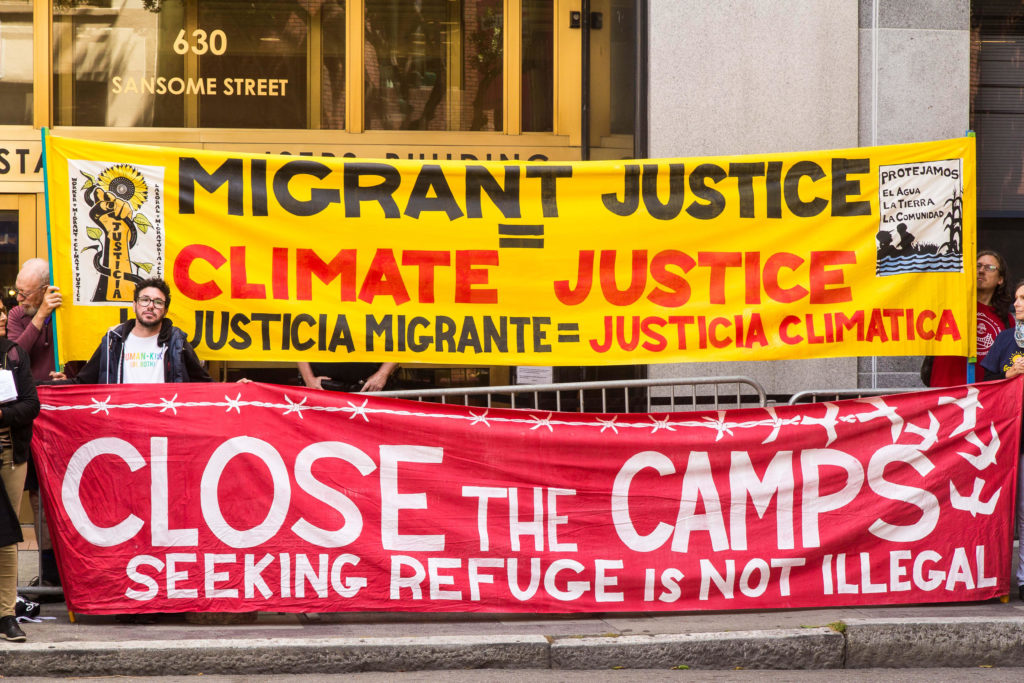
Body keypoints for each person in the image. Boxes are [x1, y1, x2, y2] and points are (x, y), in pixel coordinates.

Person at [7, 259, 63, 592]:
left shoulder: (67, 312)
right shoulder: (18, 315)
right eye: (19, 291)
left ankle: (62, 571)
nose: (18, 300)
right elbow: (15, 357)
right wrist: (39, 315)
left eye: (26, 293)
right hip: (30, 414)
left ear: (45, 288)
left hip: (64, 414)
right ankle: (48, 573)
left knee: (61, 493)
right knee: (37, 496)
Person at [51, 277, 210, 385]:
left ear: (166, 310)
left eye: (158, 302)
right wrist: (62, 385)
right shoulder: (113, 340)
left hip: (165, 423)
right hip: (123, 424)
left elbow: (204, 385)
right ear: (134, 305)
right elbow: (84, 382)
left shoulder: (177, 342)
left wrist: (234, 389)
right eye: (145, 300)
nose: (150, 306)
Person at [0, 300, 42, 642]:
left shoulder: (13, 354)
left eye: (3, 309)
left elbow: (31, 404)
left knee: (7, 535)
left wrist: (2, 415)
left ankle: (5, 613)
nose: (3, 316)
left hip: (9, 459)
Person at [980, 278, 1024, 602]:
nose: (1017, 304)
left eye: (1023, 299)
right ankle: (1012, 580)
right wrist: (1007, 377)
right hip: (1012, 437)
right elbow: (988, 385)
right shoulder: (1005, 339)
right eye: (1017, 298)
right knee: (1015, 511)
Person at [927, 250, 1014, 387]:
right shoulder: (951, 305)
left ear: (1000, 279)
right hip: (945, 392)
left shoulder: (1007, 320)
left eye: (989, 268)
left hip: (985, 396)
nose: (981, 271)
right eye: (978, 266)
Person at [298, 361, 398, 392]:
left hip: (370, 387)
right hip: (323, 387)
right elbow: (295, 329)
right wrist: (309, 379)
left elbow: (400, 327)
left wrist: (383, 373)